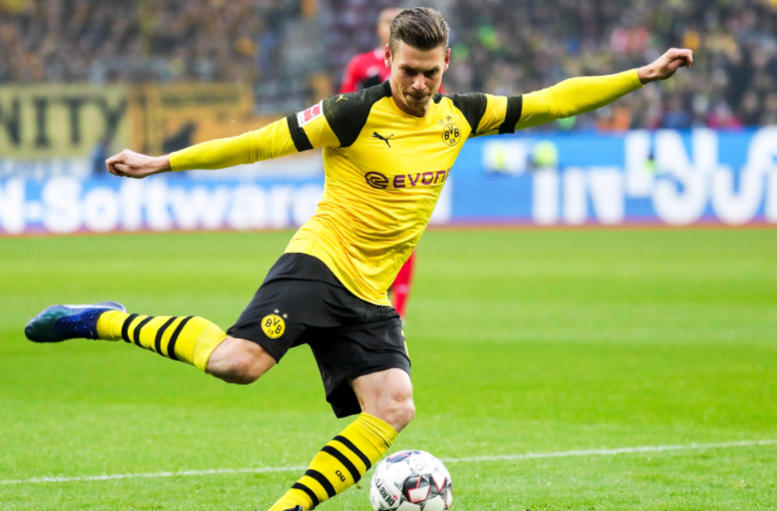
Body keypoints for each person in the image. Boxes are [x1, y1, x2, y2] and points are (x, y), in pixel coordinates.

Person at [25, 7, 692, 511]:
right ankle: (103, 318)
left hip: (370, 291)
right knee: (237, 364)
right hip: (320, 263)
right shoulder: (351, 113)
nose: (419, 85)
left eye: (431, 73)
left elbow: (552, 100)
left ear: (446, 64)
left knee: (393, 405)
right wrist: (163, 162)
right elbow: (259, 143)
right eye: (408, 72)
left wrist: (641, 75)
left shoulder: (460, 116)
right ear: (387, 59)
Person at [339, 6, 423, 320]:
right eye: (388, 21)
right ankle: (363, 297)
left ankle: (397, 311)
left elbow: (437, 107)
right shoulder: (361, 65)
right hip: (367, 160)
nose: (392, 26)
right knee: (361, 229)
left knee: (403, 231)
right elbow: (343, 107)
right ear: (378, 28)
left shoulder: (420, 66)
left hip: (404, 160)